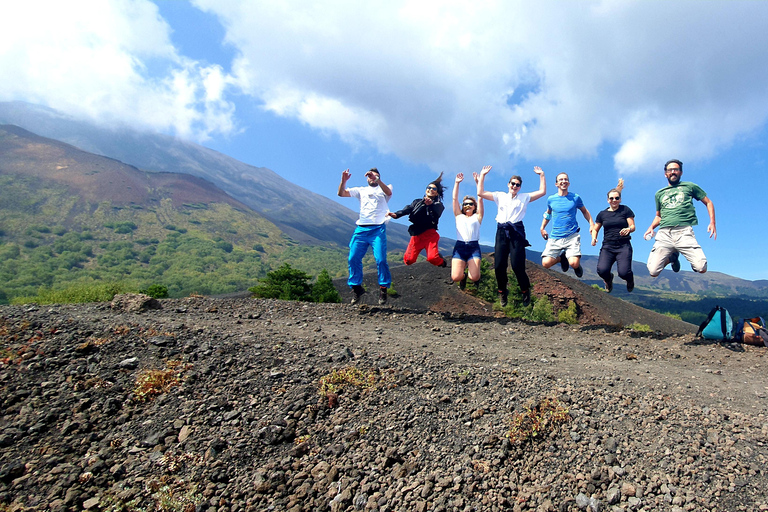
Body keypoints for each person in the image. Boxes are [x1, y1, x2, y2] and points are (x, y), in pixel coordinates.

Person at [478, 165, 546, 307]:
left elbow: (542, 192)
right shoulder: (500, 196)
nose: (515, 186)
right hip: (502, 230)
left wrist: (541, 175)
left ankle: (525, 290)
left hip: (516, 231)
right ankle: (502, 291)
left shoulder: (524, 197)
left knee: (517, 265)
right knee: (499, 265)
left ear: (520, 187)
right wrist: (483, 175)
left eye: (518, 185)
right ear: (508, 184)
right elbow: (481, 193)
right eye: (513, 183)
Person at [643, 159, 716, 276]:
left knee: (701, 267)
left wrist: (712, 222)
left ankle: (688, 256)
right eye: (670, 170)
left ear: (681, 172)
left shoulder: (690, 186)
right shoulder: (659, 194)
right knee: (653, 271)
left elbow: (708, 202)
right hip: (664, 233)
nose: (673, 172)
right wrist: (651, 227)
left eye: (676, 169)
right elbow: (658, 216)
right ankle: (672, 258)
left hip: (684, 232)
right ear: (665, 173)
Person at [338, 168, 393, 305]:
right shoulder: (360, 190)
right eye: (369, 176)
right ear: (366, 178)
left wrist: (377, 179)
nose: (372, 178)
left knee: (380, 259)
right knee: (353, 258)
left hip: (377, 229)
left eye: (375, 175)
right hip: (361, 229)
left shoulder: (384, 189)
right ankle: (356, 288)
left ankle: (383, 288)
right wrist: (343, 181)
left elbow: (389, 192)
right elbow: (341, 193)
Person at [540, 172, 595, 278]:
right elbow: (548, 213)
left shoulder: (575, 197)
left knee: (574, 263)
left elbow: (584, 211)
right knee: (545, 263)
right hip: (555, 237)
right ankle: (562, 258)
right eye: (560, 179)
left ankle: (576, 266)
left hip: (571, 235)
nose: (563, 181)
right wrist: (542, 227)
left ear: (568, 183)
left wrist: (591, 224)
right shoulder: (551, 199)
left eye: (565, 179)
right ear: (556, 184)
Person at [387, 173, 447, 268]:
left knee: (433, 258)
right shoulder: (417, 202)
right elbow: (408, 209)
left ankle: (442, 262)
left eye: (434, 189)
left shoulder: (438, 205)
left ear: (437, 193)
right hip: (416, 234)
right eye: (429, 187)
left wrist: (430, 205)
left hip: (430, 234)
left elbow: (437, 211)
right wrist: (397, 214)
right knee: (408, 260)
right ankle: (436, 257)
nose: (431, 189)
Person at [591, 179, 636, 292]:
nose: (614, 200)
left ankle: (630, 280)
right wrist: (594, 238)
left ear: (620, 199)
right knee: (602, 270)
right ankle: (608, 279)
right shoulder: (602, 214)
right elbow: (595, 229)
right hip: (608, 247)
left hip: (623, 246)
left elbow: (633, 226)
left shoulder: (625, 210)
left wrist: (628, 229)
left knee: (624, 273)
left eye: (617, 198)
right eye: (611, 198)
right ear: (608, 200)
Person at [451, 172, 484, 290]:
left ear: (474, 206)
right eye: (465, 204)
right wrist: (457, 183)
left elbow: (480, 198)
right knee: (455, 277)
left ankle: (473, 276)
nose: (467, 206)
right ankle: (463, 276)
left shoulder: (478, 216)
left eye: (470, 204)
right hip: (460, 246)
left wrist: (477, 182)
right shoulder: (458, 216)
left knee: (474, 277)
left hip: (473, 247)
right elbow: (454, 199)